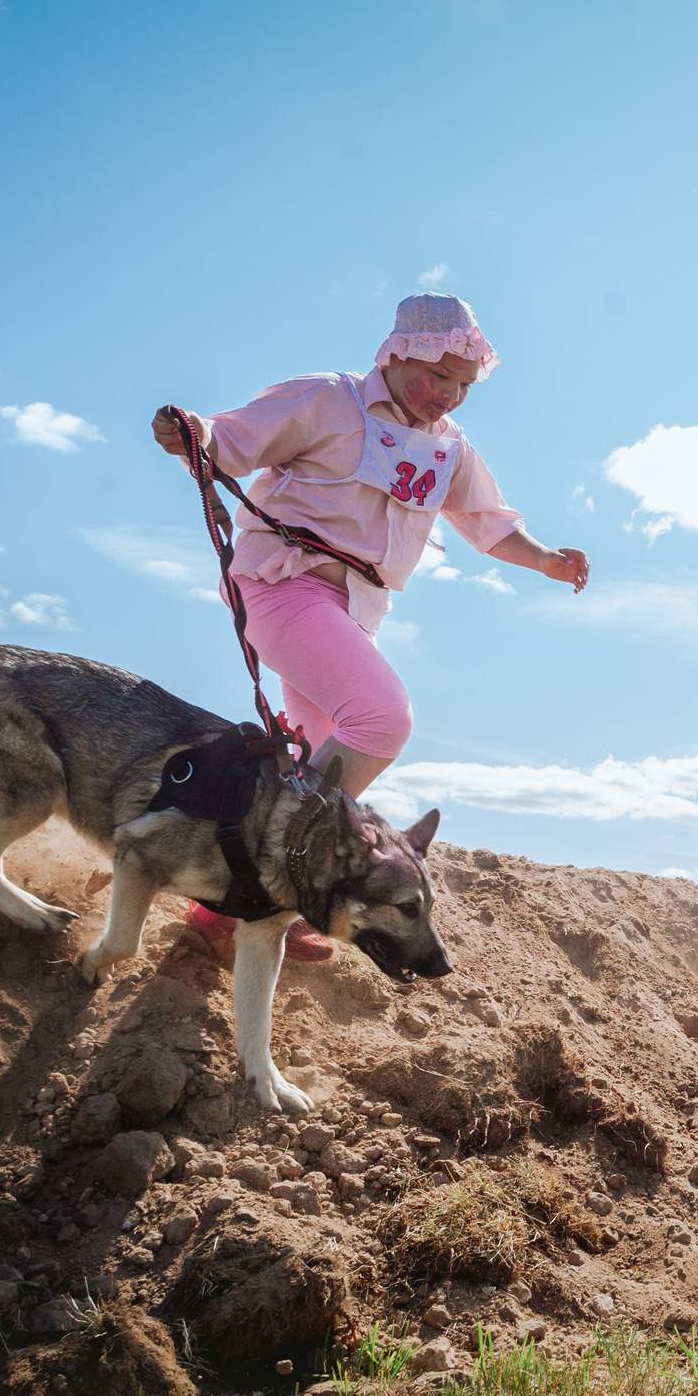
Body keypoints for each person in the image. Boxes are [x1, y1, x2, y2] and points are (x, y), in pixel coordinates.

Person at [152, 294, 590, 963]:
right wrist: (195, 433)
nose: (449, 395)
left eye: (464, 386)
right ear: (397, 353)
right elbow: (232, 441)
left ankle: (221, 910)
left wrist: (546, 560)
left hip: (352, 614)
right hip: (283, 586)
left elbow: (489, 523)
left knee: (320, 767)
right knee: (383, 720)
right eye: (438, 376)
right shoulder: (330, 400)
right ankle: (263, 883)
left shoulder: (449, 449)